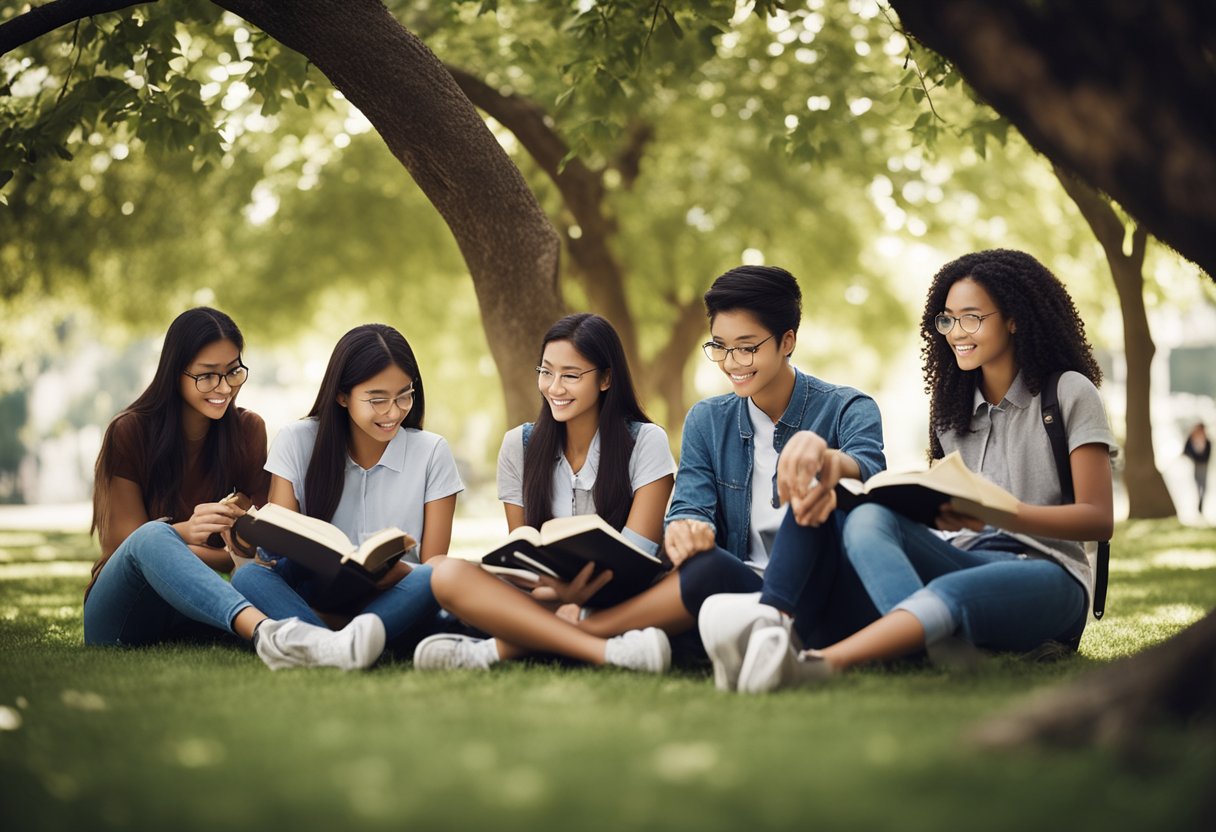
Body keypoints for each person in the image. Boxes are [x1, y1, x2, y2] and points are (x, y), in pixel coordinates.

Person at [731, 249, 1117, 693]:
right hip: (967, 557)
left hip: (1050, 572)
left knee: (956, 593)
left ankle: (814, 664)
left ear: (1014, 319)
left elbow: (1098, 518)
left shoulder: (1070, 392)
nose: (956, 333)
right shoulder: (951, 411)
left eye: (971, 318)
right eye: (947, 320)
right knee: (866, 516)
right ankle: (925, 643)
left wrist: (998, 513)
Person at [85, 307, 384, 670]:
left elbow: (257, 552)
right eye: (207, 376)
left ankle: (328, 641)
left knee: (266, 571)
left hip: (199, 609)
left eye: (233, 371)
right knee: (151, 537)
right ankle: (274, 636)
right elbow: (125, 549)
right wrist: (184, 532)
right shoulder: (130, 432)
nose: (224, 387)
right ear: (174, 372)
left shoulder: (246, 431)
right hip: (126, 611)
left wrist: (216, 550)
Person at [412, 313, 678, 672]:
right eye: (546, 371)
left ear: (606, 378)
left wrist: (571, 594)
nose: (554, 387)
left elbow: (638, 556)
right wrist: (560, 594)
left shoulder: (645, 441)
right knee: (442, 572)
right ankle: (606, 645)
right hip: (544, 595)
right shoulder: (518, 446)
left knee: (686, 580)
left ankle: (494, 651)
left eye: (570, 375)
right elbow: (522, 555)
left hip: (625, 594)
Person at [231, 324, 463, 664]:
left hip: (395, 596)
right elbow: (282, 548)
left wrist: (399, 573)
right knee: (249, 576)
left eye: (404, 395)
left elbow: (432, 564)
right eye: (378, 399)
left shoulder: (431, 452)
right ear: (342, 395)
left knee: (432, 576)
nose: (394, 411)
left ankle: (324, 640)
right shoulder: (297, 441)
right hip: (315, 593)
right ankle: (338, 642)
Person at [1183, 423, 1210, 514]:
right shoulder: (1192, 440)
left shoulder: (1207, 441)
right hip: (1196, 465)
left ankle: (1201, 501)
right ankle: (1198, 500)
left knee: (1203, 484)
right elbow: (1186, 450)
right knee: (1197, 483)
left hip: (1203, 465)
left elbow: (1207, 454)